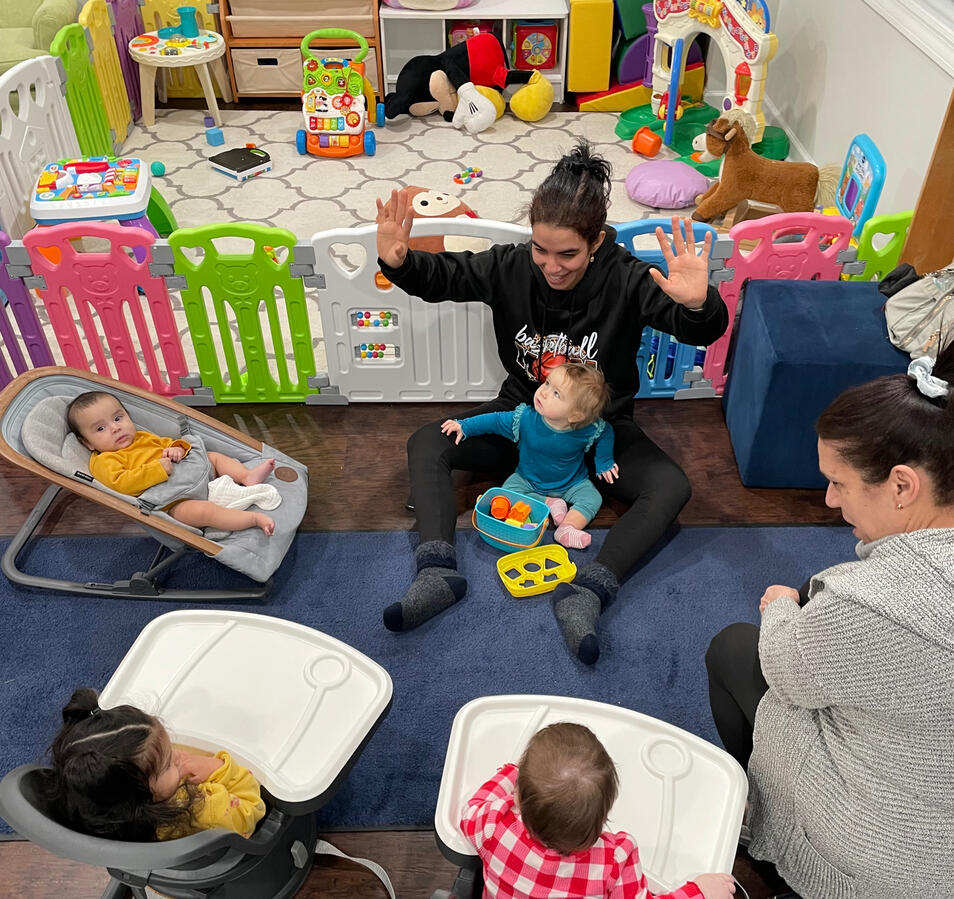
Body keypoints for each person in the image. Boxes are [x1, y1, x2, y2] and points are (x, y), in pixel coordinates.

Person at [376, 139, 728, 663]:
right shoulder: (514, 267)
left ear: (597, 241)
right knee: (428, 442)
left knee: (672, 487)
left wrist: (701, 304)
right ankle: (437, 571)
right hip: (525, 422)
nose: (552, 267)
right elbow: (446, 276)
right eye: (542, 250)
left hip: (600, 433)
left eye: (568, 254)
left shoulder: (627, 277)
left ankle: (588, 592)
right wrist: (398, 261)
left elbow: (697, 329)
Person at [704, 348, 954, 898]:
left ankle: (764, 842)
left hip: (885, 856)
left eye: (838, 483)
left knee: (734, 648)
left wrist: (780, 608)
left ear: (902, 486)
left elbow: (787, 668)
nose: (828, 499)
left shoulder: (872, 603)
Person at [461, 722, 736, 899]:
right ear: (603, 816)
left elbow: (472, 808)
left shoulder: (493, 825)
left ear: (518, 798)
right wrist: (700, 891)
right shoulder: (612, 861)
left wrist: (513, 772)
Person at [37, 687, 266, 841]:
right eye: (167, 765)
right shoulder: (203, 809)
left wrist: (167, 767)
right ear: (143, 793)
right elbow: (251, 810)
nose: (178, 756)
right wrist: (218, 768)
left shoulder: (90, 800)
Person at [441, 362, 617, 550]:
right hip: (527, 481)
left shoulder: (586, 429)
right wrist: (465, 426)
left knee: (593, 498)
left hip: (572, 483)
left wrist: (604, 460)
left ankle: (567, 528)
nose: (543, 392)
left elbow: (606, 432)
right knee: (507, 492)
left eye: (556, 393)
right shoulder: (525, 419)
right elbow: (493, 420)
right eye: (547, 383)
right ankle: (549, 503)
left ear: (575, 416)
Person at [67, 391, 279, 536]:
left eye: (118, 418)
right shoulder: (105, 461)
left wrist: (177, 448)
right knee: (204, 512)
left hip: (193, 474)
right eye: (100, 429)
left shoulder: (142, 437)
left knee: (213, 457)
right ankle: (252, 519)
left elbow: (168, 444)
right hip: (174, 501)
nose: (115, 428)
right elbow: (122, 484)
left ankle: (246, 476)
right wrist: (156, 469)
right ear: (87, 443)